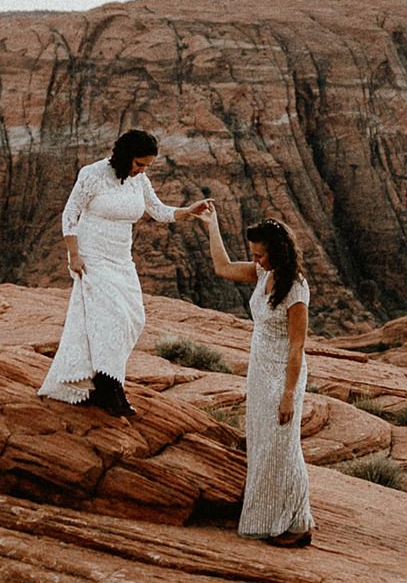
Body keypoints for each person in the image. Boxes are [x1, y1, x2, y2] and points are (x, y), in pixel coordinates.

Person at [38, 129, 203, 416]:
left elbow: (159, 211)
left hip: (121, 259)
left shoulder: (140, 181)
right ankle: (108, 388)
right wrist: (73, 255)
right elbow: (70, 214)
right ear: (126, 156)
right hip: (93, 257)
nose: (142, 171)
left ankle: (105, 381)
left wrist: (189, 210)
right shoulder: (93, 174)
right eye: (139, 164)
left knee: (133, 318)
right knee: (110, 319)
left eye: (147, 166)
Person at [199, 205, 313, 546]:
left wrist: (289, 394)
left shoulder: (296, 290)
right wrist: (212, 225)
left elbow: (297, 348)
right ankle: (280, 518)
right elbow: (222, 268)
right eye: (254, 255)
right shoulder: (264, 274)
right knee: (264, 447)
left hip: (283, 375)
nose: (257, 261)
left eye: (261, 255)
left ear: (276, 252)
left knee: (284, 447)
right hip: (259, 371)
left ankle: (297, 523)